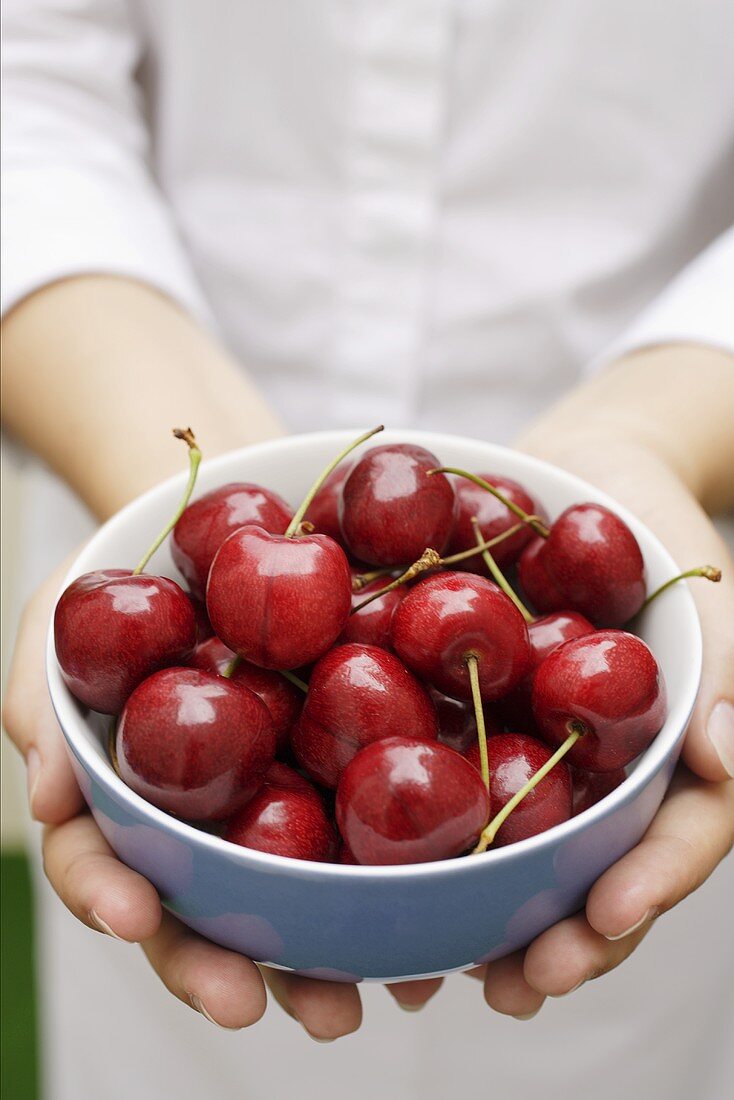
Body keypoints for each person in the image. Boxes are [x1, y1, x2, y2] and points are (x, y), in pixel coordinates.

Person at [2, 2, 733, 1098]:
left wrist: (647, 431)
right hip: (148, 451)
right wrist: (154, 461)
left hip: (587, 815)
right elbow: (28, 81)